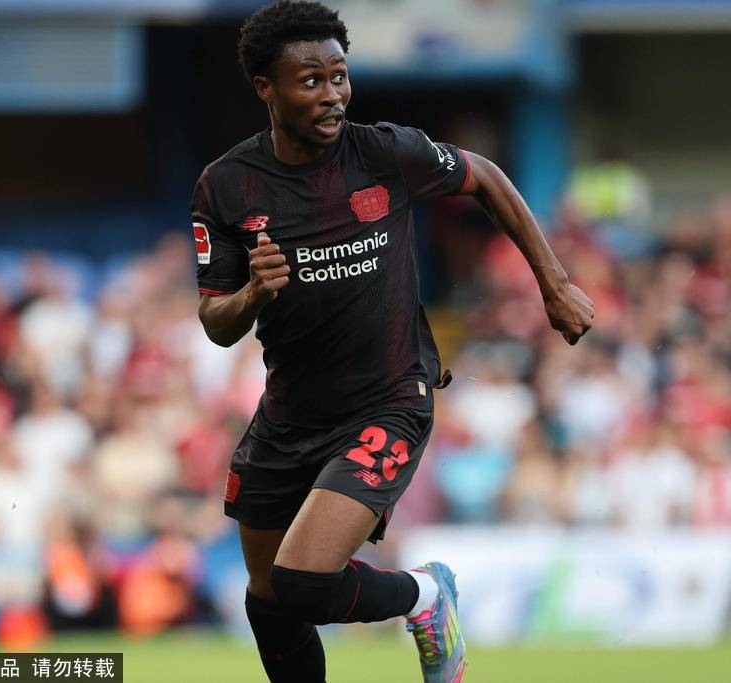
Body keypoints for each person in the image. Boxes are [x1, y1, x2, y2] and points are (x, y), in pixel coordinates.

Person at [190, 2, 594, 681]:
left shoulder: (384, 152)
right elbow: (215, 320)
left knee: (302, 581)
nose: (332, 94)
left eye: (339, 76)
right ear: (266, 87)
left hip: (388, 400)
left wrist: (553, 284)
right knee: (269, 599)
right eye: (310, 81)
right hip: (288, 415)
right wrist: (253, 294)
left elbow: (485, 176)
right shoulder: (226, 186)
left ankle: (425, 595)